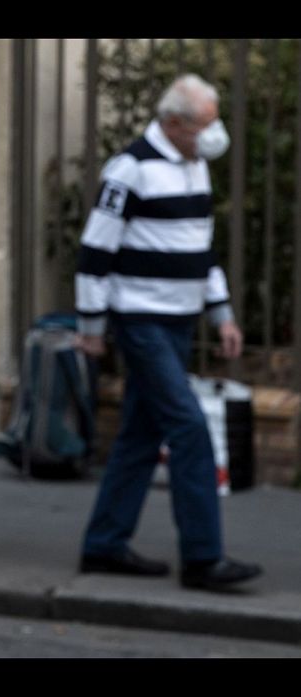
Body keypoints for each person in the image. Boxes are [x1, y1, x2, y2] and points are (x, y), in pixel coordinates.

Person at [75, 74, 263, 591]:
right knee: (190, 430)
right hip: (140, 320)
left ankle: (104, 545)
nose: (215, 133)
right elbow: (95, 251)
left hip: (179, 321)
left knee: (140, 434)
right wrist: (92, 326)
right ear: (174, 123)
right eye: (205, 123)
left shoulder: (195, 166)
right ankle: (204, 559)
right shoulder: (130, 170)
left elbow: (201, 247)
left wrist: (221, 312)